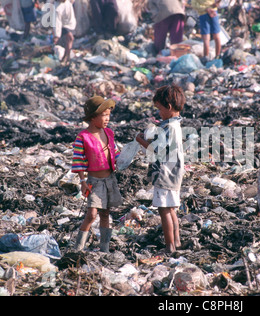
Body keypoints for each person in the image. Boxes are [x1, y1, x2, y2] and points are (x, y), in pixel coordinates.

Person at [135, 85, 186, 253]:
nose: (159, 113)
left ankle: (169, 246)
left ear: (169, 107)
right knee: (171, 209)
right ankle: (176, 242)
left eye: (159, 109)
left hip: (164, 173)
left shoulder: (168, 128)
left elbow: (157, 150)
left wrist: (141, 141)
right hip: (174, 173)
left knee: (164, 210)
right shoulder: (175, 125)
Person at [71, 96, 123, 252]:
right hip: (94, 181)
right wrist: (82, 182)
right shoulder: (83, 137)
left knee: (105, 214)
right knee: (92, 214)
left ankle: (104, 249)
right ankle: (78, 247)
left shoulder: (108, 133)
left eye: (108, 115)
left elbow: (115, 152)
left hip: (110, 179)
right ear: (93, 118)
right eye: (104, 115)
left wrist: (124, 158)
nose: (107, 119)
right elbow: (78, 160)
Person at [53, 0, 76, 65]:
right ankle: (66, 57)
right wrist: (57, 35)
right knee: (70, 38)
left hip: (70, 24)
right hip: (63, 25)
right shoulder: (57, 7)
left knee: (68, 41)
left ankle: (66, 56)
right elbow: (56, 22)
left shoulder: (67, 2)